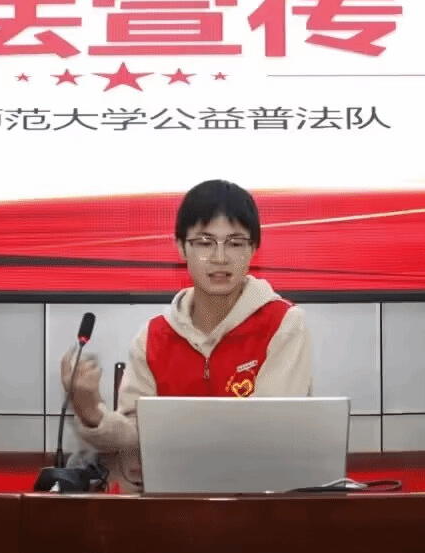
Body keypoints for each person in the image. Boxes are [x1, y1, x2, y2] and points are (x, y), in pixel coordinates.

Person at [60, 179, 314, 493]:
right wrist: (91, 411)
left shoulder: (284, 323)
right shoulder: (153, 337)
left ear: (253, 249)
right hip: (169, 505)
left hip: (256, 503)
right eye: (205, 242)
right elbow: (134, 439)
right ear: (181, 247)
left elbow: (272, 434)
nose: (220, 257)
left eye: (235, 243)